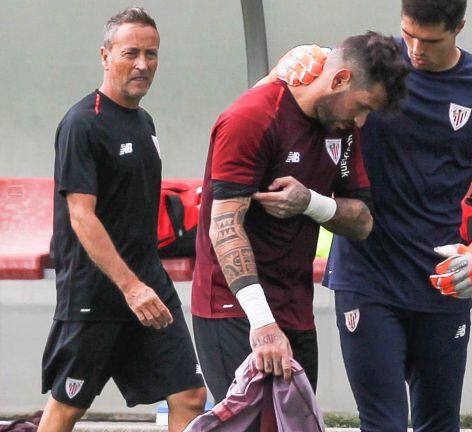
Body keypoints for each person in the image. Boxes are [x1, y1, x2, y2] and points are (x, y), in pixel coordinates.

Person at [306, 1, 472, 430]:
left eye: (430, 40)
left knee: (439, 424)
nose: (415, 49)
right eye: (408, 34)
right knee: (385, 424)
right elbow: (302, 92)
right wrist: (290, 61)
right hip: (367, 277)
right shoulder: (371, 63)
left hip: (443, 279)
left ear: (459, 27)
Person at [191, 31, 408, 403]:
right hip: (235, 308)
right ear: (340, 80)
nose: (360, 121)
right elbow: (224, 226)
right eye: (362, 107)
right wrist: (262, 323)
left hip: (295, 308)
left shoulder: (341, 131)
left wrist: (310, 202)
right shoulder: (252, 117)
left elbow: (362, 221)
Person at [39, 7, 206, 432]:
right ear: (105, 55)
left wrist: (143, 283)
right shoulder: (82, 123)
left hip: (150, 285)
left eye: (151, 54)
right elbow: (81, 215)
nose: (142, 64)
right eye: (131, 53)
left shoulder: (143, 121)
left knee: (190, 395)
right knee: (67, 406)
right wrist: (130, 288)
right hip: (97, 292)